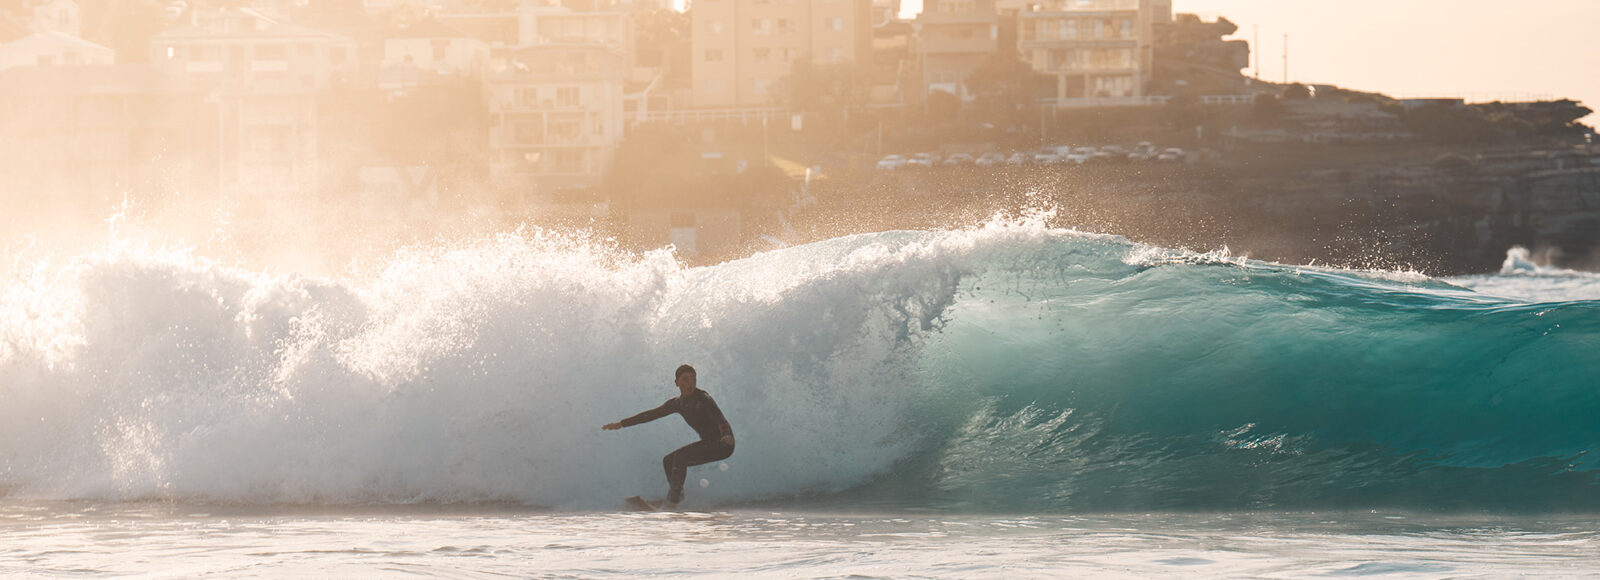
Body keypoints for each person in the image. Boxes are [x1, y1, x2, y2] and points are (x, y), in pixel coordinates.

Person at [603, 364, 735, 508]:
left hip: (723, 444)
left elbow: (719, 417)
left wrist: (726, 434)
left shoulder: (703, 398)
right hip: (709, 443)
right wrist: (622, 423)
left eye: (693, 379)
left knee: (680, 458)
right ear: (676, 382)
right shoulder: (677, 403)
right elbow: (651, 415)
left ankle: (672, 502)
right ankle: (678, 497)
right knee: (668, 461)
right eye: (685, 379)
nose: (690, 383)